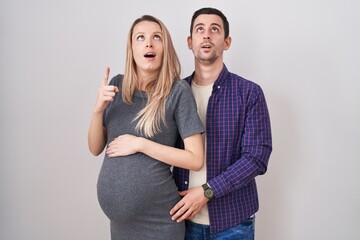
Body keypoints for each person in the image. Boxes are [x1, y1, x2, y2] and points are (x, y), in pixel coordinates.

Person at [88, 15, 205, 240]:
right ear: (131, 48)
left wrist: (140, 144)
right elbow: (95, 148)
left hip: (158, 222)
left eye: (156, 37)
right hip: (121, 227)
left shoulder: (177, 92)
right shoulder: (117, 86)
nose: (148, 43)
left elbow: (195, 158)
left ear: (165, 48)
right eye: (140, 37)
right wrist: (97, 110)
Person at [170, 7, 272, 239]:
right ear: (190, 41)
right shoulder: (173, 95)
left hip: (234, 220)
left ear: (227, 42)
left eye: (214, 30)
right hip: (181, 219)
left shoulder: (249, 93)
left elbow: (257, 158)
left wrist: (207, 192)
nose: (206, 35)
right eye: (200, 29)